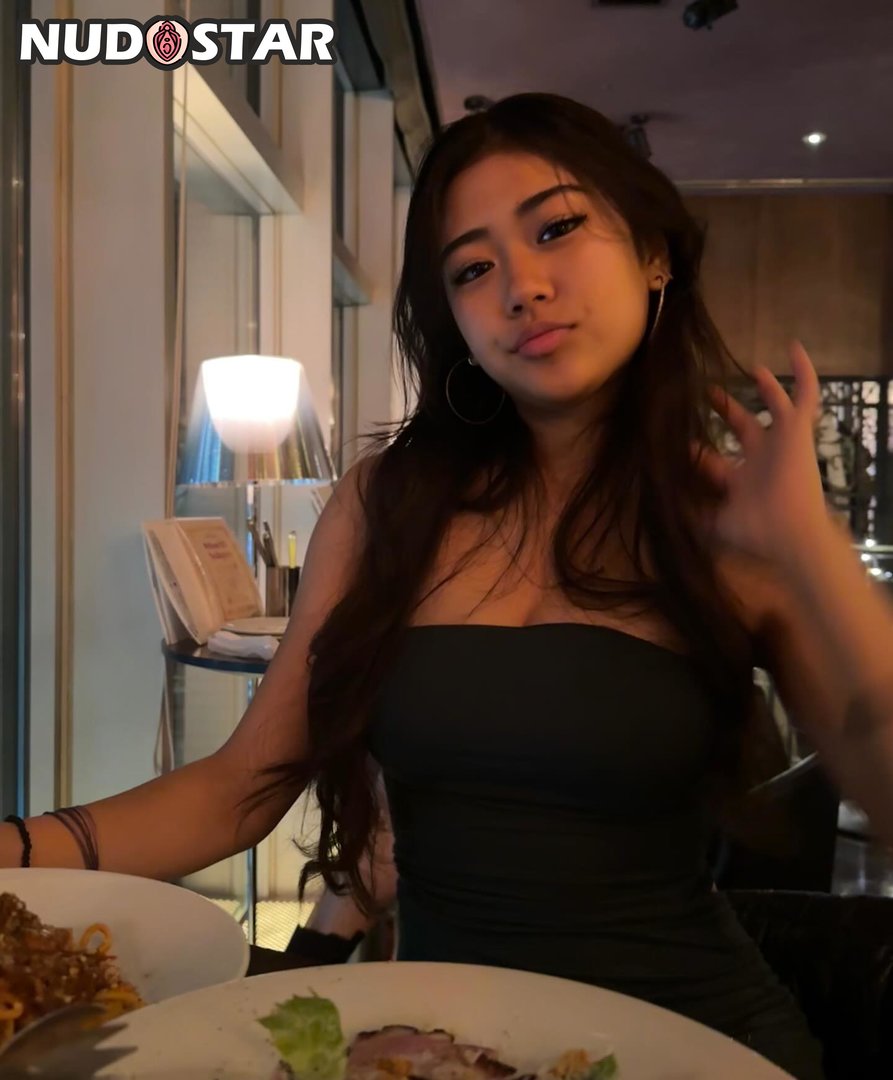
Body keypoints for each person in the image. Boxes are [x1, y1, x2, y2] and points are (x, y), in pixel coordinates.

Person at [4, 92, 893, 1078]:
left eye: (556, 229)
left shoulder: (733, 518)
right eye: (472, 268)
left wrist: (811, 552)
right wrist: (11, 850)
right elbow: (236, 790)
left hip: (691, 1043)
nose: (522, 287)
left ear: (653, 255)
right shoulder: (383, 506)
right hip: (440, 1048)